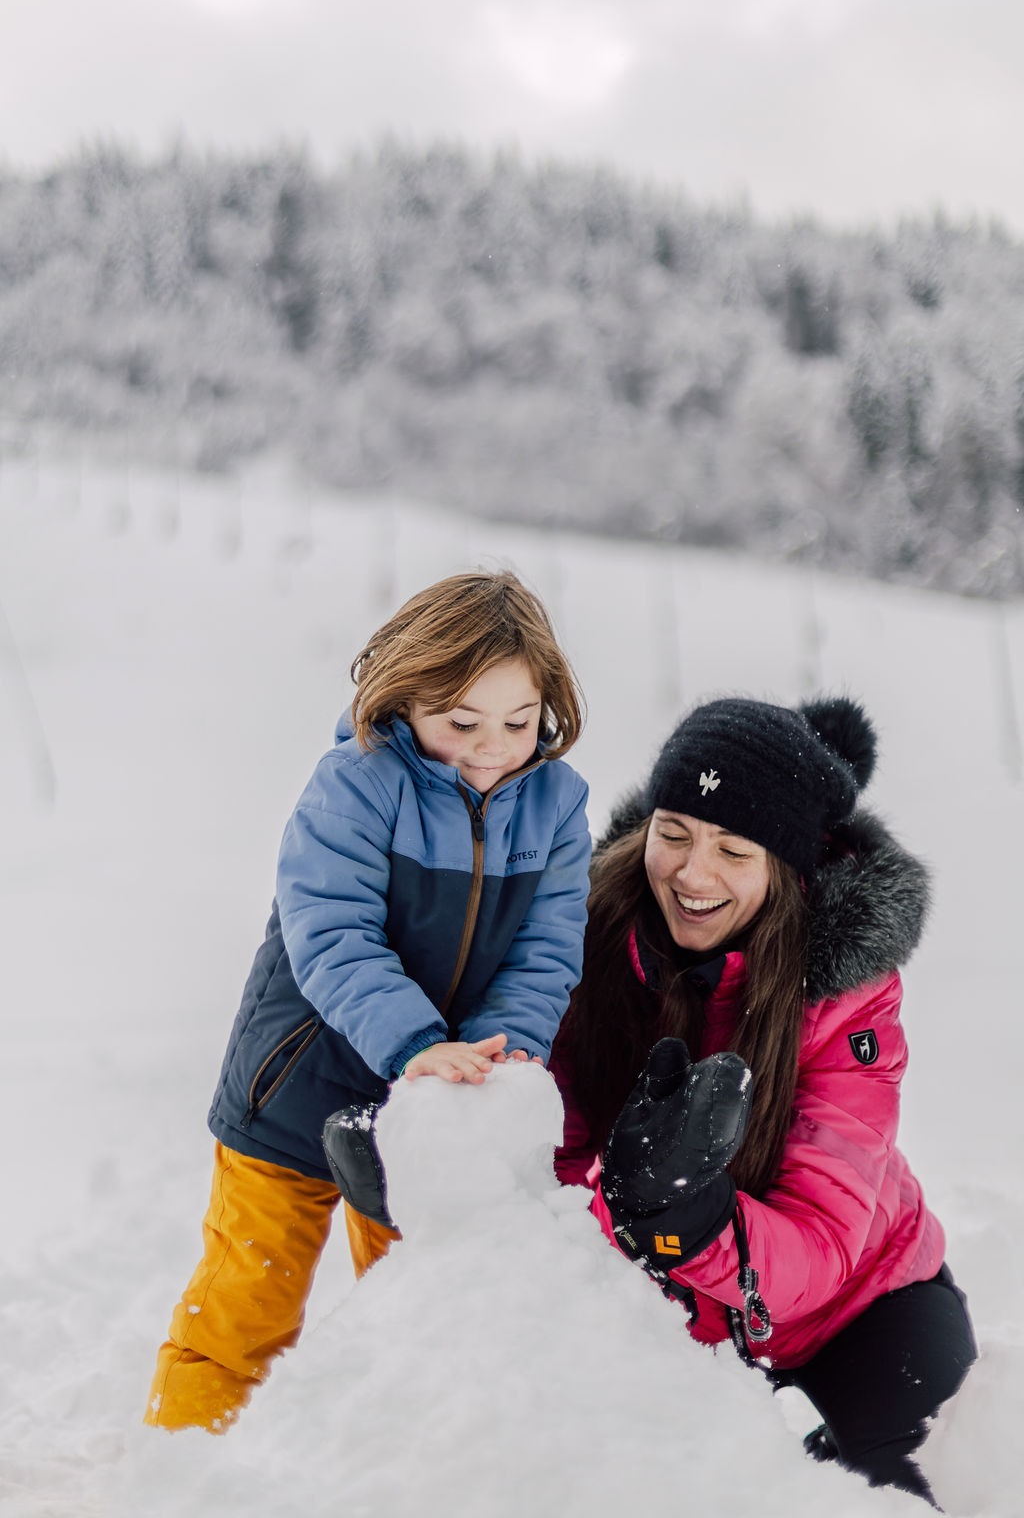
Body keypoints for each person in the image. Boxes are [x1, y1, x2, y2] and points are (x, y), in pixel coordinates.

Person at [145, 570, 591, 1433]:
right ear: (404, 696)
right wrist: (414, 1042)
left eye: (518, 721)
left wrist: (498, 1053)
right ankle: (180, 1473)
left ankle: (387, 1478)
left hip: (436, 1106)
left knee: (417, 1308)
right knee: (245, 1311)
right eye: (462, 722)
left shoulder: (557, 806)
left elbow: (546, 951)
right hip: (298, 1089)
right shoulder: (355, 783)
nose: (492, 747)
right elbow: (332, 931)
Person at [550, 695, 975, 1508]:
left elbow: (822, 1241)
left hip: (857, 1299)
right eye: (671, 834)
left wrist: (691, 1223)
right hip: (665, 1309)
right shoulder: (584, 936)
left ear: (787, 868)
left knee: (931, 1487)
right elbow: (553, 1156)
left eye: (732, 851)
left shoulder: (847, 996)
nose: (691, 874)